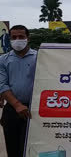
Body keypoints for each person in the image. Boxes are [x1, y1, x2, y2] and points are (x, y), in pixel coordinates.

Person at [0, 25, 37, 157]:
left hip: (34, 111)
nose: (17, 40)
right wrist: (16, 105)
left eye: (21, 37)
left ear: (28, 38)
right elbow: (2, 85)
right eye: (14, 37)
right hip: (11, 110)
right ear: (9, 39)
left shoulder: (39, 58)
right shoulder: (3, 60)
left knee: (30, 150)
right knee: (13, 150)